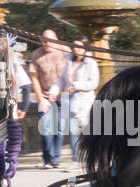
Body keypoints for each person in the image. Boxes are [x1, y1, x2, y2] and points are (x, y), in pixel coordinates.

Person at [59, 38, 100, 167]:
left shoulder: (91, 63)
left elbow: (94, 83)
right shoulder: (69, 62)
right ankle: (76, 160)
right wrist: (53, 91)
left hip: (85, 100)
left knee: (89, 131)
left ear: (85, 49)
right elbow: (62, 80)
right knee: (73, 131)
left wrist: (76, 85)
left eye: (79, 47)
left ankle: (94, 158)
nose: (76, 49)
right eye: (74, 46)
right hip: (71, 100)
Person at [29, 29, 66, 168]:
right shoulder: (37, 54)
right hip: (45, 96)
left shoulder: (65, 52)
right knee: (46, 128)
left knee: (60, 129)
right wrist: (40, 99)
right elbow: (34, 78)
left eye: (50, 40)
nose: (47, 43)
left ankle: (55, 158)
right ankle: (48, 159)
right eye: (44, 40)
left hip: (63, 96)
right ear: (40, 40)